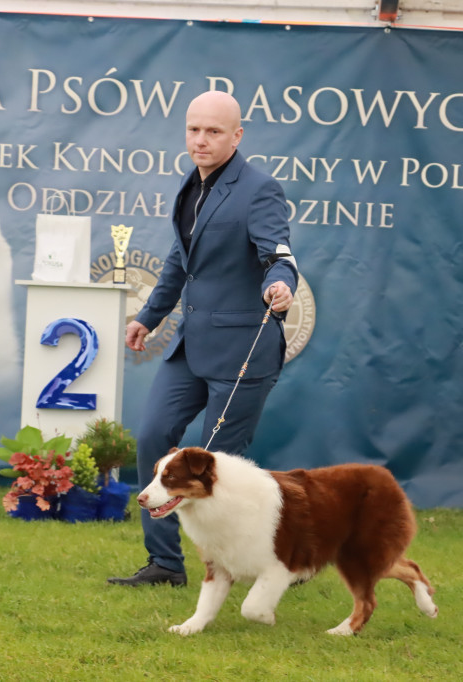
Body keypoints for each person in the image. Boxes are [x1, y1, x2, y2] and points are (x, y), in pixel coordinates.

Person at [107, 91, 298, 587]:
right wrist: (149, 316)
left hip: (243, 353)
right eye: (194, 129)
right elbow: (179, 263)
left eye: (214, 131)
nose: (201, 139)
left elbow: (277, 254)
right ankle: (166, 564)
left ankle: (272, 560)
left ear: (237, 136)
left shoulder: (260, 189)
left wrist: (280, 284)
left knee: (216, 472)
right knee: (153, 437)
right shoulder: (192, 187)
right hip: (189, 349)